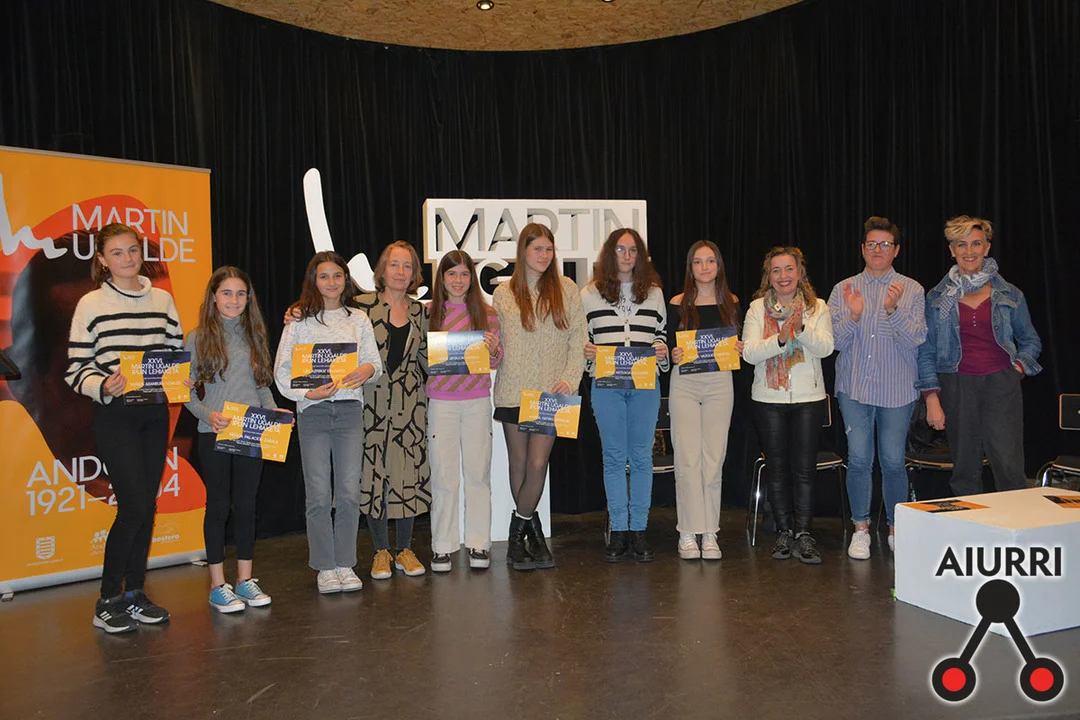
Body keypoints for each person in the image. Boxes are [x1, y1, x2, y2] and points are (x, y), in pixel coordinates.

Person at [66, 222, 186, 633]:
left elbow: (175, 353)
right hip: (115, 413)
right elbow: (76, 369)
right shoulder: (90, 304)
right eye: (117, 252)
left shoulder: (162, 299)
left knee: (146, 506)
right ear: (102, 260)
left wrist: (180, 378)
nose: (127, 258)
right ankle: (107, 600)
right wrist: (103, 385)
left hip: (154, 413)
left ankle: (134, 594)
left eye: (132, 250)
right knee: (134, 505)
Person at [274, 252, 382, 594]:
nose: (332, 282)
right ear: (313, 280)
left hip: (349, 411)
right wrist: (307, 394)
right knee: (319, 494)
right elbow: (282, 372)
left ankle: (345, 563)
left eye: (337, 275)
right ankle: (324, 566)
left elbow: (374, 364)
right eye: (324, 276)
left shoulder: (358, 319)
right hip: (313, 412)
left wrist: (366, 371)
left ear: (346, 280)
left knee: (349, 492)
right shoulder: (298, 321)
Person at [917, 216, 1042, 496]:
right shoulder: (937, 297)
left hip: (1001, 384)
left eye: (976, 243)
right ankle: (969, 523)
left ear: (987, 248)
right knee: (965, 469)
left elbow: (1031, 340)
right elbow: (926, 351)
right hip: (957, 386)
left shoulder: (1009, 294)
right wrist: (931, 397)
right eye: (961, 244)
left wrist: (1017, 369)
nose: (969, 251)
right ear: (952, 250)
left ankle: (1013, 522)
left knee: (1008, 466)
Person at [186, 266, 286, 611]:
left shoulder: (254, 335)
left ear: (248, 298)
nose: (234, 300)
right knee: (218, 507)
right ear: (214, 297)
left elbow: (261, 386)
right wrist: (207, 415)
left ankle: (245, 581)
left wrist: (273, 413)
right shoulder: (197, 338)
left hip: (251, 431)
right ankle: (218, 586)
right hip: (213, 433)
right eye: (226, 293)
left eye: (240, 293)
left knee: (246, 506)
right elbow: (185, 394)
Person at [828, 218, 926, 558]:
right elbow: (833, 343)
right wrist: (853, 315)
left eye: (885, 244)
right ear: (862, 249)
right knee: (858, 459)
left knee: (893, 461)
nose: (878, 250)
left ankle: (896, 529)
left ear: (896, 250)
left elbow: (916, 339)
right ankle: (861, 529)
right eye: (871, 244)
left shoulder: (912, 289)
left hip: (897, 390)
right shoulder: (844, 289)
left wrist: (893, 310)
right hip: (854, 388)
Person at [492, 223, 587, 571]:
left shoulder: (567, 288)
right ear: (523, 251)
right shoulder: (503, 293)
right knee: (518, 464)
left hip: (550, 393)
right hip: (512, 389)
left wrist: (569, 380)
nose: (544, 255)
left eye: (549, 249)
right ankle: (533, 535)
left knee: (537, 464)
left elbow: (578, 339)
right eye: (537, 249)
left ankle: (516, 534)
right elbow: (497, 342)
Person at [743, 246, 834, 565]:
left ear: (800, 273)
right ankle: (784, 531)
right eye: (776, 270)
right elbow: (749, 353)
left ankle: (804, 533)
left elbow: (826, 348)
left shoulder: (817, 307)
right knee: (778, 470)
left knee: (805, 471)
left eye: (789, 269)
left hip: (809, 399)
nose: (783, 276)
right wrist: (780, 339)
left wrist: (801, 329)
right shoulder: (757, 308)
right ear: (768, 276)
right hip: (768, 399)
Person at [581, 228, 668, 563]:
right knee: (615, 457)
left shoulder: (655, 293)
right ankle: (619, 529)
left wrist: (660, 348)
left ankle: (639, 529)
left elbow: (661, 334)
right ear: (610, 253)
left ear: (641, 256)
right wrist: (587, 351)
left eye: (633, 250)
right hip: (607, 385)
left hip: (645, 384)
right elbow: (582, 339)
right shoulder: (589, 294)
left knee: (642, 457)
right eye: (621, 249)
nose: (627, 256)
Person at [356, 241, 432, 580]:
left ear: (414, 273)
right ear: (382, 270)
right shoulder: (359, 308)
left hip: (410, 405)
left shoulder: (421, 312)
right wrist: (298, 311)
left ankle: (404, 549)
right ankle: (380, 551)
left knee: (407, 473)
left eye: (407, 266)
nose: (401, 272)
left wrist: (476, 353)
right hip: (371, 403)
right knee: (373, 472)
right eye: (394, 264)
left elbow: (430, 360)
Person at [426, 250, 502, 573]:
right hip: (441, 402)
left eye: (464, 274)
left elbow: (495, 361)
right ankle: (442, 547)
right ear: (442, 278)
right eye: (451, 274)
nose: (458, 280)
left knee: (478, 475)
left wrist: (494, 350)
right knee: (444, 476)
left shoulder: (488, 314)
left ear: (472, 278)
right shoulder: (429, 312)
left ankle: (479, 543)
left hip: (476, 402)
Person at [667, 241, 741, 561]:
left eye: (710, 261)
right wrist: (673, 353)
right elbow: (668, 347)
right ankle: (687, 531)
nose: (705, 267)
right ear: (690, 268)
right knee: (687, 459)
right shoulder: (677, 303)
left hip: (720, 383)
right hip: (685, 383)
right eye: (698, 262)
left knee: (713, 459)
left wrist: (740, 348)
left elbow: (738, 343)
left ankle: (710, 531)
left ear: (718, 265)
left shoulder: (732, 302)